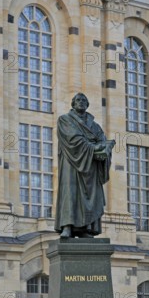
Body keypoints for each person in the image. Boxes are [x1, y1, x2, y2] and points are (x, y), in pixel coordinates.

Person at [54, 93, 115, 238]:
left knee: (91, 196)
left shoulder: (95, 126)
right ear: (73, 104)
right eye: (78, 100)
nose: (81, 102)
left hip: (91, 167)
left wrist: (106, 147)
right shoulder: (65, 120)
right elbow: (73, 140)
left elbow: (102, 140)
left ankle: (86, 229)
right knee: (70, 194)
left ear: (87, 104)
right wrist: (95, 148)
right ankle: (67, 226)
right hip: (72, 163)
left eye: (84, 101)